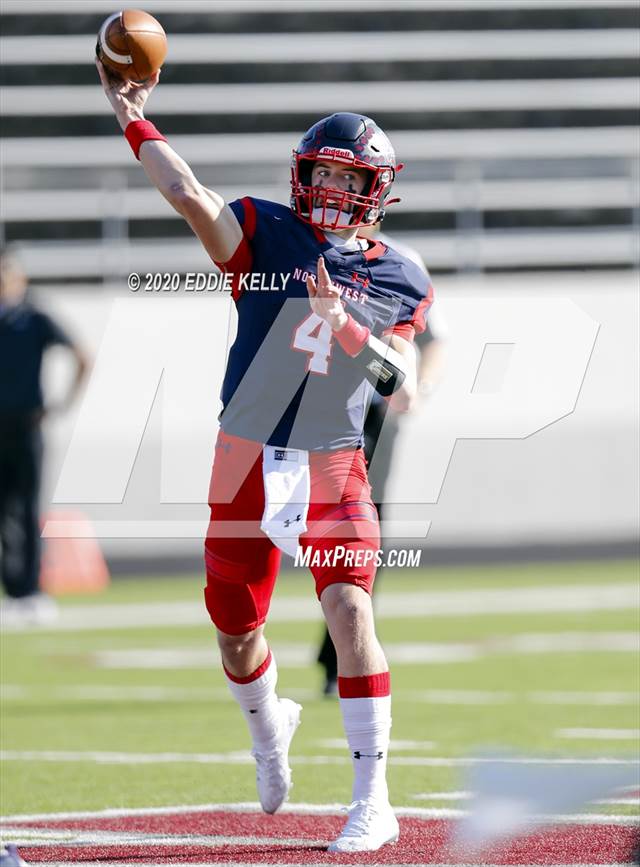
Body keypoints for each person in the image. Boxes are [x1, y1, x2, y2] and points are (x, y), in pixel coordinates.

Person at [96, 60, 433, 853]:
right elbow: (188, 194)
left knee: (350, 610)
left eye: (342, 176)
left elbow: (403, 385)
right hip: (244, 454)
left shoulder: (398, 273)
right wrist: (131, 117)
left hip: (333, 460)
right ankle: (266, 722)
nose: (324, 186)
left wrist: (343, 322)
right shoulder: (264, 232)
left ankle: (373, 799)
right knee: (234, 630)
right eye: (316, 171)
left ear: (374, 189)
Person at [317, 227, 447, 695]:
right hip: (305, 411)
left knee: (359, 532)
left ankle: (339, 656)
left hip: (369, 412)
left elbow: (429, 346)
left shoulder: (401, 262)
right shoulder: (303, 246)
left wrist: (415, 390)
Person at [0, 247, 89, 626]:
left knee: (29, 506)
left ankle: (33, 591)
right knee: (4, 512)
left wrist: (61, 405)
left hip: (26, 426)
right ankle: (13, 590)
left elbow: (82, 355)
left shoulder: (35, 317)